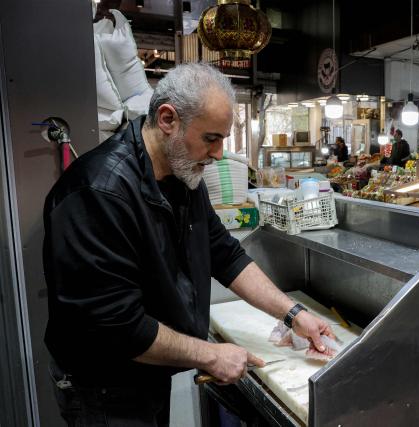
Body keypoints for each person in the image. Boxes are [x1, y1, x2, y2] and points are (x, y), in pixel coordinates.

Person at [43, 63, 334, 426]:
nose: (218, 154)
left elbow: (223, 253)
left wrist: (294, 315)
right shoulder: (99, 193)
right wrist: (211, 355)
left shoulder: (182, 173)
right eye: (211, 138)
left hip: (145, 372)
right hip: (103, 388)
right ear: (168, 119)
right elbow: (117, 327)